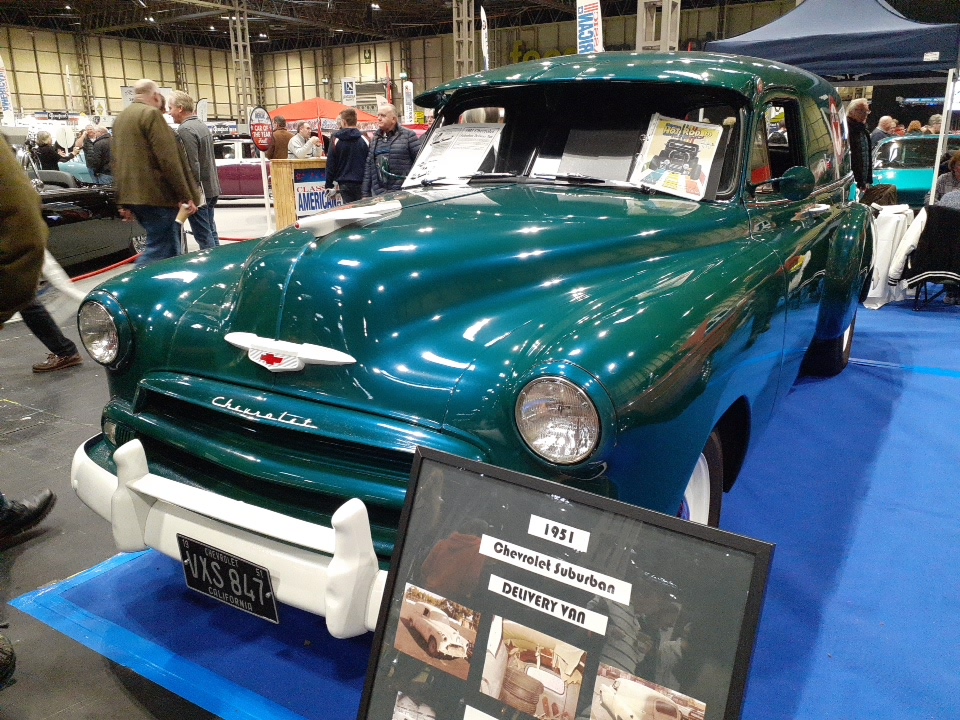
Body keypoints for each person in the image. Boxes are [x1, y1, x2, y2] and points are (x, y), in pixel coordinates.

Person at [111, 78, 200, 267]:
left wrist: (121, 203)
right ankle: (138, 288)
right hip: (156, 196)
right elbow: (168, 159)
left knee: (163, 247)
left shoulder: (120, 119)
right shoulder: (150, 115)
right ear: (155, 96)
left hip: (132, 197)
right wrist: (185, 195)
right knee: (163, 250)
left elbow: (116, 163)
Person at [169, 91, 221, 250]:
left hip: (200, 192)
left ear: (179, 108)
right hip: (211, 187)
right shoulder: (201, 125)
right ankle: (219, 262)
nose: (169, 112)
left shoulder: (185, 129)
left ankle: (212, 266)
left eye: (170, 108)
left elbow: (192, 164)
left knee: (203, 236)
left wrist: (189, 194)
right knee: (211, 231)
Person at [362, 103, 422, 197]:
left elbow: (420, 162)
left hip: (403, 194)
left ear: (393, 119)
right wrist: (365, 194)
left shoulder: (408, 136)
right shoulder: (375, 139)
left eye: (383, 115)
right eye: (378, 115)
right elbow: (369, 167)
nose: (379, 118)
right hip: (379, 195)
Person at [324, 107, 369, 203]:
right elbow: (370, 162)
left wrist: (329, 185)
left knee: (348, 211)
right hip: (363, 183)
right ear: (356, 122)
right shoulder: (364, 139)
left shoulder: (336, 139)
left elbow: (331, 163)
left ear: (344, 122)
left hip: (344, 183)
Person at [846, 98, 872, 191]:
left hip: (861, 183)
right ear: (853, 111)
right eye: (863, 111)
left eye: (867, 111)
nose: (866, 114)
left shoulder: (863, 130)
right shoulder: (846, 129)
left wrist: (867, 180)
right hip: (852, 182)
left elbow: (867, 156)